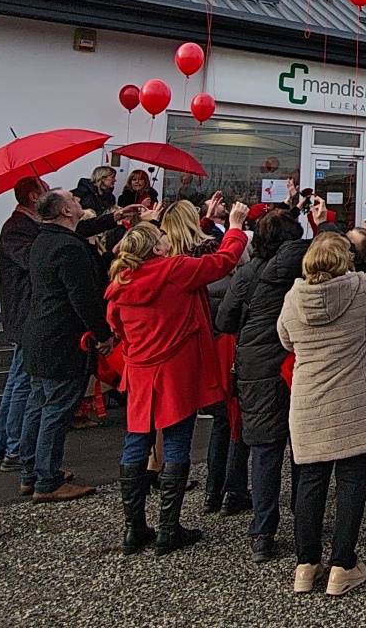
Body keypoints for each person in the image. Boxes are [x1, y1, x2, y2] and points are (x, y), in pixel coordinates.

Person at [104, 205, 251, 555]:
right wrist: (233, 228)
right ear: (156, 247)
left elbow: (116, 327)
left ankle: (133, 528)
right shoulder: (175, 269)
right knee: (175, 442)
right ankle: (169, 528)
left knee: (136, 441)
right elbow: (223, 261)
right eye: (160, 236)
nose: (166, 237)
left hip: (139, 369)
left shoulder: (120, 282)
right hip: (177, 368)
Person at [277, 217, 366, 597]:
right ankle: (342, 564)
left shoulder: (294, 298)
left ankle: (306, 564)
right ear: (345, 262)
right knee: (352, 482)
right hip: (355, 401)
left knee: (310, 482)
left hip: (310, 403)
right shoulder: (362, 290)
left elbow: (285, 339)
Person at [215, 206, 309, 562]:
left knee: (265, 450)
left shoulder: (249, 273)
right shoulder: (305, 269)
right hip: (295, 359)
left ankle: (263, 531)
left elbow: (225, 319)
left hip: (256, 365)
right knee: (303, 447)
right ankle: (304, 518)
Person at [20, 188, 117, 502]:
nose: (79, 203)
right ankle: (47, 481)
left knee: (38, 406)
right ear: (64, 211)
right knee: (56, 410)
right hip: (61, 339)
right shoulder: (68, 249)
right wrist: (103, 335)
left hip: (37, 335)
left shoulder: (43, 240)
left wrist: (115, 217)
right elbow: (83, 297)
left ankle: (32, 472)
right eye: (74, 201)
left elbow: (83, 230)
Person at [0, 176, 47, 469]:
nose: (50, 192)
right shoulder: (16, 229)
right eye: (45, 188)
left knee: (17, 379)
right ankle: (13, 448)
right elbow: (32, 260)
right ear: (34, 196)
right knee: (23, 381)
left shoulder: (28, 228)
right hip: (24, 313)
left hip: (25, 312)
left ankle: (3, 444)